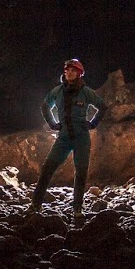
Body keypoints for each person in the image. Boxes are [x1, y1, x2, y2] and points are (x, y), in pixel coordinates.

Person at [31, 58, 105, 218]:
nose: (69, 73)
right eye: (67, 70)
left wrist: (93, 123)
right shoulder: (57, 91)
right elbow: (45, 106)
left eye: (72, 70)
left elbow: (102, 106)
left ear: (79, 74)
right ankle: (35, 204)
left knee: (81, 173)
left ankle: (77, 209)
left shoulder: (86, 92)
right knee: (47, 169)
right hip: (63, 138)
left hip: (81, 138)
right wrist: (52, 123)